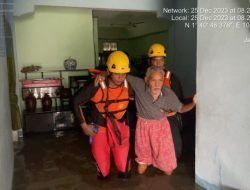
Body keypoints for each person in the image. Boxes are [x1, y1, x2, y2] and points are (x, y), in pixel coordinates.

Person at [96, 57, 196, 175]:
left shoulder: (168, 94)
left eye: (160, 80)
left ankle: (159, 161)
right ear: (146, 79)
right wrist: (103, 74)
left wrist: (193, 103)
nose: (157, 84)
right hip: (143, 127)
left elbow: (182, 109)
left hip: (161, 128)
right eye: (153, 80)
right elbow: (120, 74)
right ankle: (146, 160)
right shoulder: (139, 85)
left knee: (168, 171)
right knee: (141, 168)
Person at [73, 51, 132, 179]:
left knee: (125, 172)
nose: (120, 77)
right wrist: (84, 125)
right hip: (99, 130)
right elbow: (76, 101)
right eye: (116, 73)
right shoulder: (96, 85)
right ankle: (102, 167)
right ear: (109, 71)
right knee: (104, 174)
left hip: (118, 129)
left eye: (123, 74)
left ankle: (123, 166)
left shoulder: (130, 85)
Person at [148, 43, 184, 159]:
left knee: (175, 150)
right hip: (151, 116)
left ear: (164, 62)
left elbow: (179, 101)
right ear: (150, 62)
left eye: (161, 60)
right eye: (155, 60)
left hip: (169, 116)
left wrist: (172, 111)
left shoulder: (172, 79)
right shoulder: (144, 78)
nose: (158, 64)